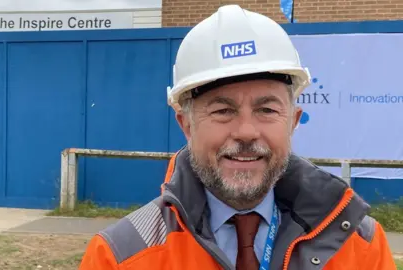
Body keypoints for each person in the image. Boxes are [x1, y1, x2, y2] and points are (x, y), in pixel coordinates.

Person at [79, 4, 396, 270]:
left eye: (267, 110)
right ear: (186, 124)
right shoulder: (120, 257)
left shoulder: (360, 247)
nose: (246, 132)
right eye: (222, 110)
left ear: (293, 121)